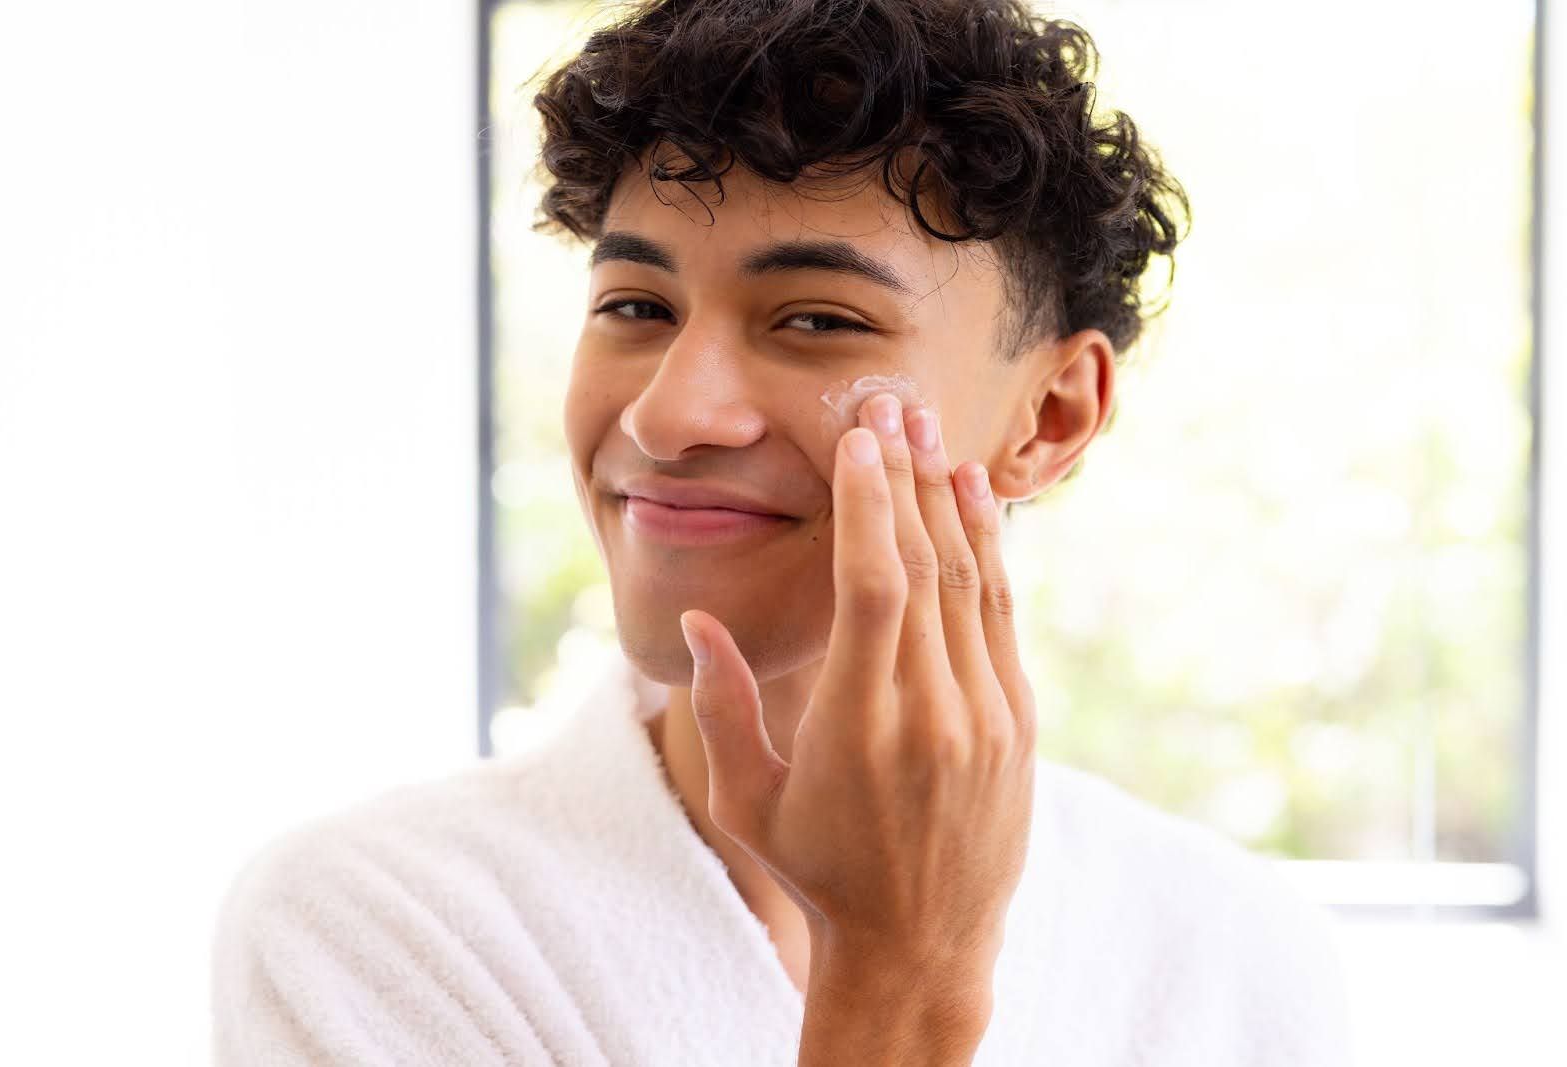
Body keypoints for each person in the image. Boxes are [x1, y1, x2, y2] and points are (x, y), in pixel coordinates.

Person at [213, 1, 1353, 1063]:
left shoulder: (1231, 958)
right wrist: (900, 980)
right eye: (635, 307)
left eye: (817, 318)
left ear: (1049, 416)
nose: (665, 412)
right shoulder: (374, 927)